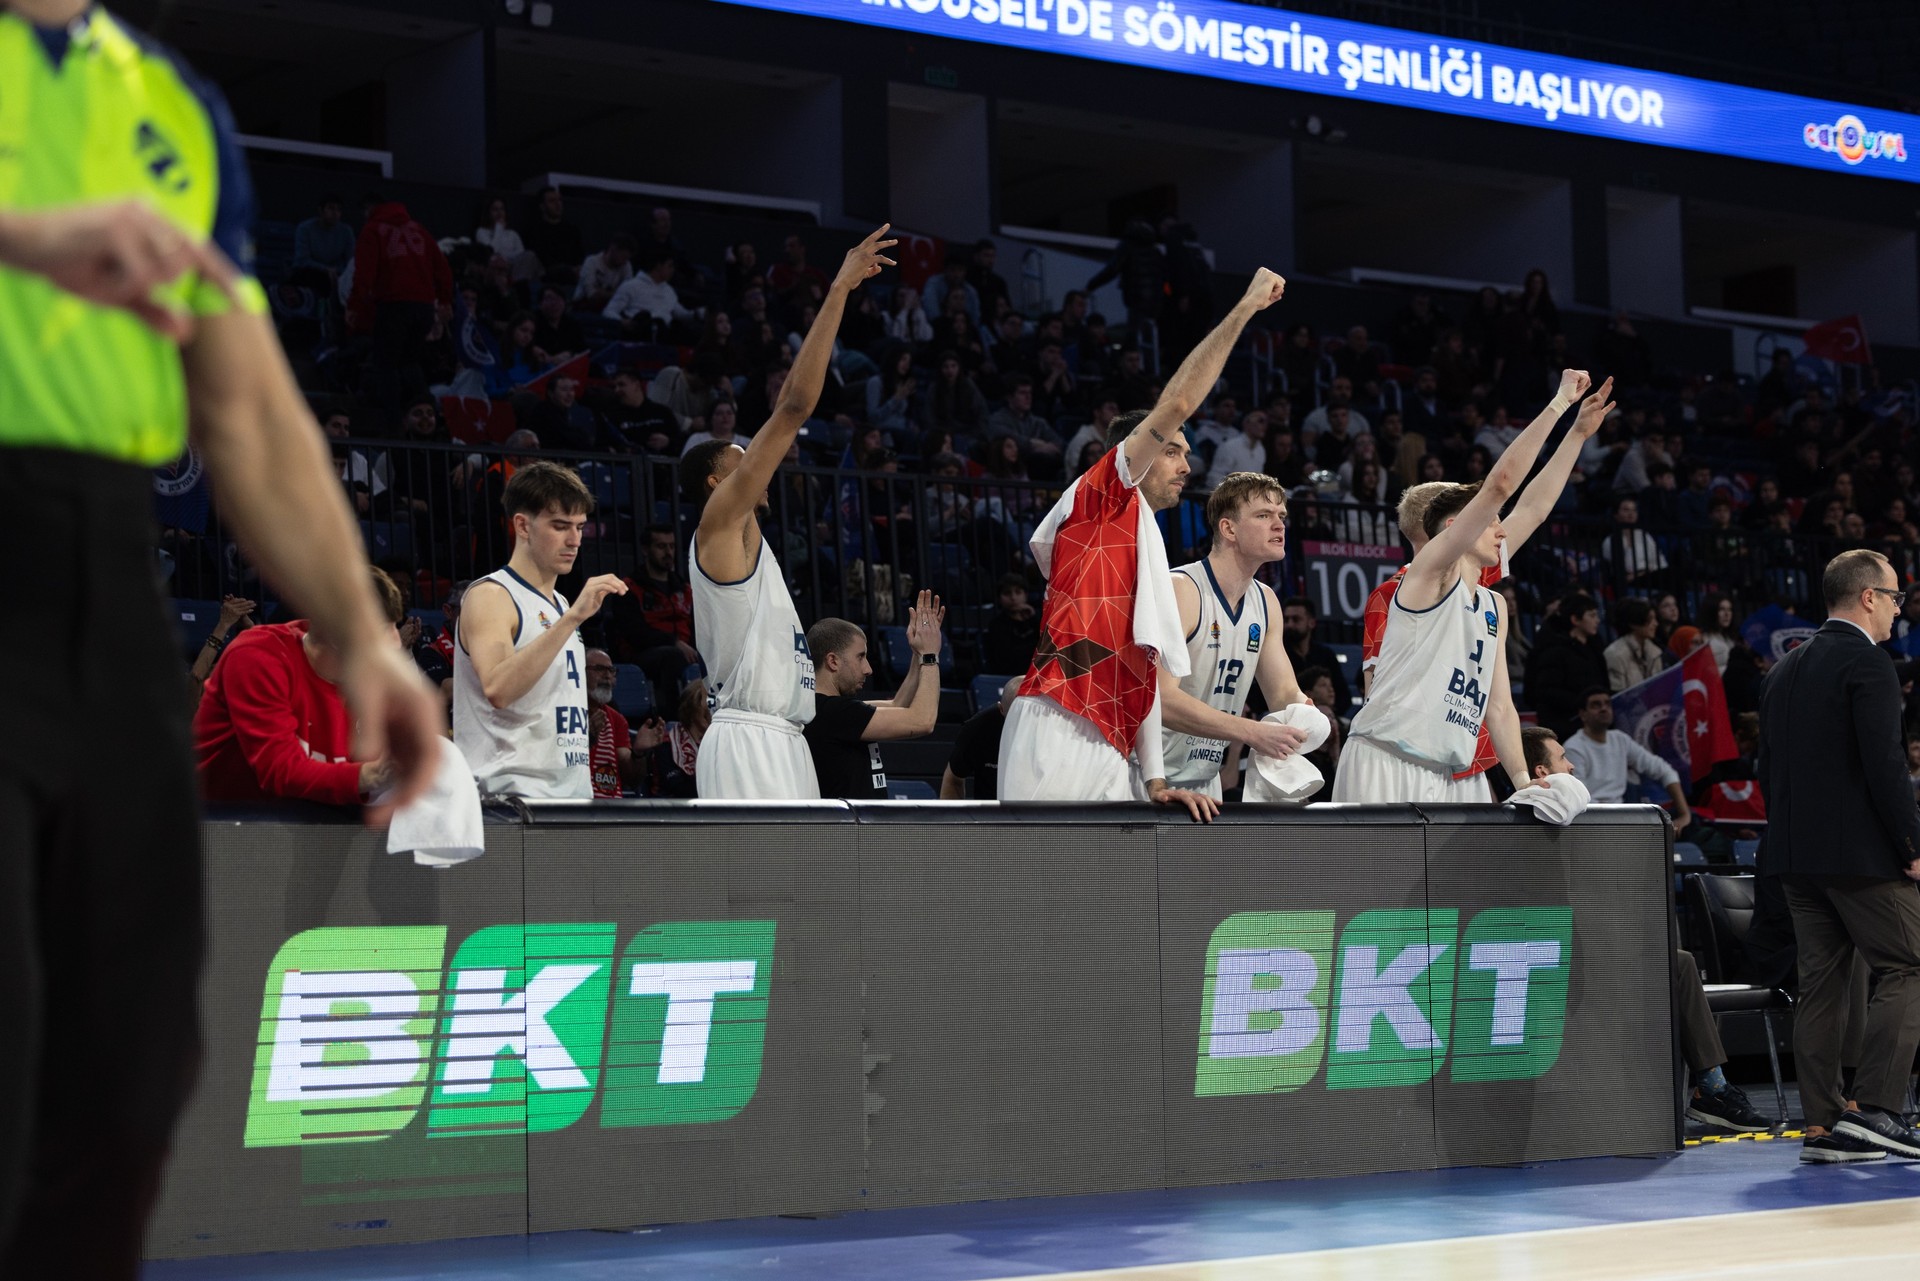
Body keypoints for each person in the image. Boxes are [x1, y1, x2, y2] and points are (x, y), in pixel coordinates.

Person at [0, 6, 442, 1270]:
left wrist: (362, 639)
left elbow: (244, 410)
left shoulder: (171, 109)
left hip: (100, 569)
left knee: (135, 1069)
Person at [999, 269, 1289, 821]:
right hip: (1062, 718)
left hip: (1116, 739)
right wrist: (1245, 308)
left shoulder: (1143, 536)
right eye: (1174, 451)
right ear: (1133, 454)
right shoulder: (1101, 497)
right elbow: (1178, 400)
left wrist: (1155, 779)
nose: (1187, 464)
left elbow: (1144, 667)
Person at [683, 226, 897, 799]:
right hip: (748, 740)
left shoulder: (754, 543)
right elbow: (796, 405)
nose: (757, 462)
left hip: (785, 736)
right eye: (740, 456)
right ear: (715, 481)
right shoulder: (720, 522)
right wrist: (839, 290)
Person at [1334, 369, 1605, 803]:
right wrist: (1558, 406)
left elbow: (1533, 509)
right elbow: (1502, 486)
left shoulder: (1484, 589)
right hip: (1395, 754)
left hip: (1458, 762)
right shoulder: (1409, 587)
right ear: (1455, 525)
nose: (1499, 527)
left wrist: (1576, 435)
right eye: (1488, 518)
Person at [1523, 727, 1770, 1133]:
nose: (1571, 766)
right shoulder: (1533, 815)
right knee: (1677, 963)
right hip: (1548, 953)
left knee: (1680, 964)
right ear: (1541, 772)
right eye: (1562, 758)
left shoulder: (1572, 820)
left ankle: (1712, 1088)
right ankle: (1708, 1087)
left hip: (1592, 944)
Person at [1758, 549, 1920, 1163]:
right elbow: (1886, 767)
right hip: (1861, 858)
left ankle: (1825, 1125)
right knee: (1911, 965)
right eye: (1896, 596)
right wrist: (1911, 846)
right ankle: (1878, 1110)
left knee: (1821, 986)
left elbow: (1766, 770)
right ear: (1869, 597)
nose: (1899, 609)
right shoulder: (1868, 663)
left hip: (1795, 856)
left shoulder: (1784, 670)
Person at [453, 462, 626, 798]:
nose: (574, 540)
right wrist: (573, 619)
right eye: (560, 526)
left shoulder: (561, 603)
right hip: (508, 797)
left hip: (570, 791)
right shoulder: (492, 595)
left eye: (579, 527)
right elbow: (498, 688)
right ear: (523, 525)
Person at [1154, 473, 1316, 800]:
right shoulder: (1182, 589)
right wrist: (1253, 731)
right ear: (1229, 529)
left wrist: (1305, 713)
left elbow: (1283, 690)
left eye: (1281, 516)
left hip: (1204, 778)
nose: (1279, 525)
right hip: (1146, 775)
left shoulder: (1266, 600)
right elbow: (1160, 700)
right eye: (1263, 515)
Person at [195, 568, 406, 804]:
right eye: (381, 630)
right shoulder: (258, 656)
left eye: (395, 626)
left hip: (307, 825)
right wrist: (376, 774)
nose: (396, 643)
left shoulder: (373, 682)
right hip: (219, 827)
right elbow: (279, 770)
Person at [802, 595, 945, 799]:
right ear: (833, 661)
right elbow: (923, 721)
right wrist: (930, 655)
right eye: (860, 657)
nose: (868, 669)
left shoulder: (828, 709)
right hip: (852, 829)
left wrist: (918, 653)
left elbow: (899, 705)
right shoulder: (833, 713)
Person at [1559, 688, 1692, 832]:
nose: (1604, 708)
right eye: (1596, 705)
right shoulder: (1574, 747)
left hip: (1622, 817)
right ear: (1583, 714)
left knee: (1688, 828)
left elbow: (1664, 770)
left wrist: (1684, 815)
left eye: (1607, 704)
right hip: (1590, 821)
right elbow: (1580, 798)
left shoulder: (1620, 739)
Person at [1525, 592, 1612, 739]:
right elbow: (1546, 692)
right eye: (1591, 615)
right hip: (1567, 729)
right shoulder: (1554, 651)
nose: (1597, 620)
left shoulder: (1595, 649)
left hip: (1595, 727)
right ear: (1575, 619)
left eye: (1597, 615)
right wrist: (1583, 703)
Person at [584, 649, 652, 799]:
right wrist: (587, 737)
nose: (607, 675)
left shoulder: (617, 719)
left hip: (611, 809)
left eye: (611, 670)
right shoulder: (566, 713)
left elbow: (632, 780)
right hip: (577, 806)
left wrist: (638, 753)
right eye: (599, 669)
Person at [943, 676, 1020, 799]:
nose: (1022, 723)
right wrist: (953, 818)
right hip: (990, 812)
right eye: (1016, 717)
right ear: (1001, 709)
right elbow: (954, 780)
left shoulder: (1055, 722)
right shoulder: (979, 727)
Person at [1280, 596, 1352, 717]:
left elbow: (1343, 695)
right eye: (1286, 620)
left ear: (1311, 623)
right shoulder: (1279, 654)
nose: (1289, 625)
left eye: (1296, 619)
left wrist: (1327, 713)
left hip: (1325, 716)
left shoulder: (1325, 655)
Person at [1604, 597, 1667, 691]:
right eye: (1650, 619)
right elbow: (1618, 695)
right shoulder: (1615, 654)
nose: (1656, 624)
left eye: (1655, 619)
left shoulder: (1655, 652)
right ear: (1634, 623)